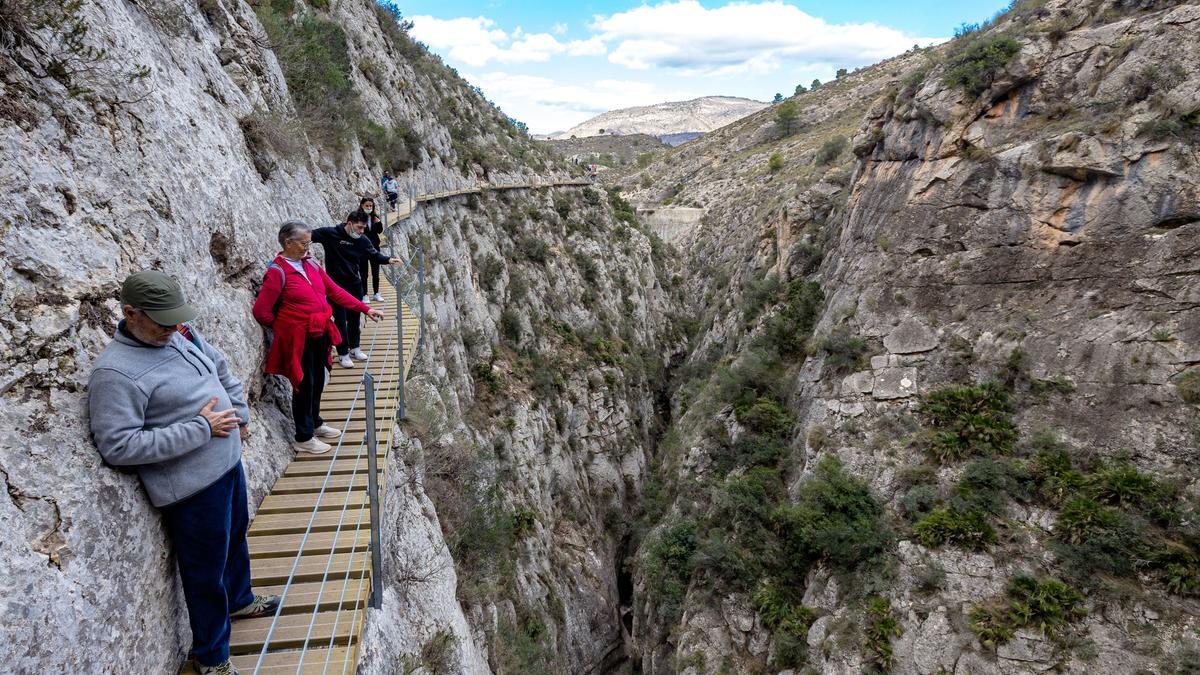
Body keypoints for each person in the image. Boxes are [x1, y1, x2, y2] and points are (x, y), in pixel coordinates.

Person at [88, 271, 281, 675]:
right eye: (163, 321)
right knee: (204, 571)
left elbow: (219, 367)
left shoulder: (180, 332)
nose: (173, 328)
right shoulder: (116, 373)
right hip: (191, 489)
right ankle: (212, 657)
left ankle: (241, 599)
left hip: (227, 466)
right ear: (130, 313)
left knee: (234, 540)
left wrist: (239, 413)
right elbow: (119, 445)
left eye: (177, 319)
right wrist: (202, 429)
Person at [253, 221, 384, 454]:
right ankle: (303, 436)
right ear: (288, 243)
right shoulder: (277, 272)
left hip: (319, 332)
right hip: (298, 337)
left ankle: (315, 422)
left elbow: (334, 291)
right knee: (304, 383)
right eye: (304, 243)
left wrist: (365, 309)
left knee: (319, 378)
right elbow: (262, 311)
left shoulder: (310, 263)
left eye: (309, 242)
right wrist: (288, 325)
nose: (308, 247)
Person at [311, 211, 400, 369]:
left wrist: (387, 260)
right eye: (359, 227)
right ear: (349, 223)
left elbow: (373, 255)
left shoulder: (363, 240)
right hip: (335, 286)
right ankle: (343, 353)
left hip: (354, 283)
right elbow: (309, 236)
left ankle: (355, 348)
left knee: (354, 318)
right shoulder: (330, 234)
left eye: (363, 228)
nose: (361, 231)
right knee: (340, 319)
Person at [357, 196, 386, 303]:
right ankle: (364, 295)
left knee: (376, 272)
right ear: (362, 206)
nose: (369, 207)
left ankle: (376, 293)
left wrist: (378, 222)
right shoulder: (357, 217)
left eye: (371, 206)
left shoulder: (374, 217)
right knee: (363, 272)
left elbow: (379, 231)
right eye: (367, 206)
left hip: (374, 248)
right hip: (362, 248)